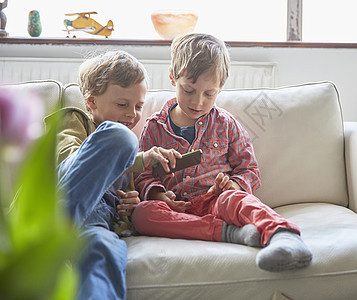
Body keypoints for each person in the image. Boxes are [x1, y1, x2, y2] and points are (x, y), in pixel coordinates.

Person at [132, 33, 312, 272]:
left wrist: (233, 186)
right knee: (142, 215)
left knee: (237, 199)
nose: (198, 102)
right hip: (177, 210)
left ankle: (283, 236)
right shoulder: (155, 127)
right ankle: (229, 233)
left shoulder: (226, 124)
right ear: (173, 78)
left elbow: (249, 169)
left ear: (220, 88)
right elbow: (143, 174)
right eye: (189, 90)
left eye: (209, 94)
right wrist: (157, 195)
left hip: (217, 201)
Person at [45, 50, 181, 300]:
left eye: (139, 106)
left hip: (93, 225)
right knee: (120, 137)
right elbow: (68, 159)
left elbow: (121, 215)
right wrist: (138, 159)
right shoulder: (74, 120)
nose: (132, 114)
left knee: (104, 247)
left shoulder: (130, 149)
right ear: (92, 101)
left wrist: (128, 208)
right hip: (54, 200)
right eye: (122, 105)